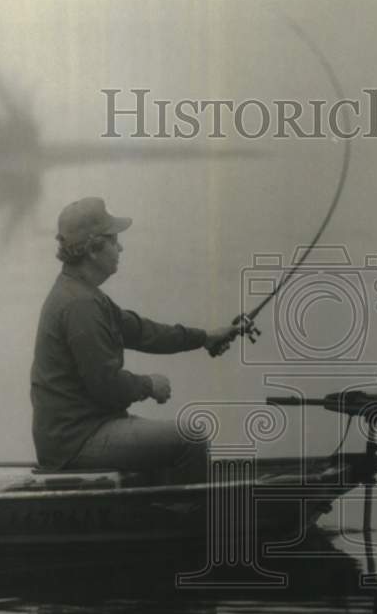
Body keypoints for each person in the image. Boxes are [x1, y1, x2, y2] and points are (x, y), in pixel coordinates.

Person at [30, 197, 237, 482]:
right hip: (77, 441)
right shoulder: (81, 305)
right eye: (114, 241)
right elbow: (106, 386)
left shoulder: (81, 293)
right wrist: (149, 385)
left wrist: (204, 338)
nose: (121, 247)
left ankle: (165, 509)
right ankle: (190, 520)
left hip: (81, 432)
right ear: (93, 249)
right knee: (193, 437)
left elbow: (141, 332)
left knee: (173, 444)